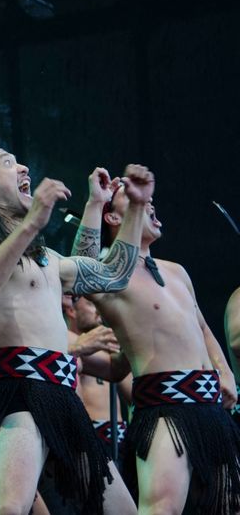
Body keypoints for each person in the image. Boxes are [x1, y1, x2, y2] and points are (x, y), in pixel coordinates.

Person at [0, 155, 153, 514]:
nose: (24, 168)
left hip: (63, 397)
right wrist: (30, 224)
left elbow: (109, 275)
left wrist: (126, 206)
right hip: (20, 391)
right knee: (9, 508)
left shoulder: (48, 258)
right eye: (9, 164)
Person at [76, 173, 240, 513]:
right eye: (134, 200)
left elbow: (202, 327)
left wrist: (224, 372)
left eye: (147, 200)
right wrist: (95, 202)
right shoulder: (110, 275)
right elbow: (81, 270)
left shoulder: (177, 270)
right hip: (165, 409)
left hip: (210, 408)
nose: (147, 202)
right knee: (161, 508)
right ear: (113, 217)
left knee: (228, 506)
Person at [61, 294, 131, 465]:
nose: (100, 311)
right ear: (71, 310)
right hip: (90, 432)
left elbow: (133, 393)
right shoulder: (65, 337)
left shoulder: (108, 342)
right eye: (92, 305)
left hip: (119, 436)